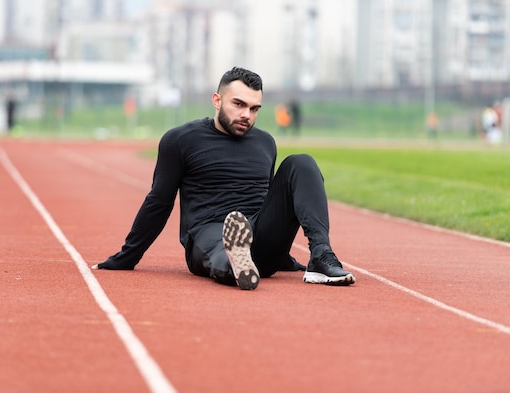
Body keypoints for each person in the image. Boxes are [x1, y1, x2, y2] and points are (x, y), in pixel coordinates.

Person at [92, 67, 355, 290]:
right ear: (217, 100)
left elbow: (272, 203)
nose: (246, 115)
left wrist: (283, 256)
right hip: (208, 230)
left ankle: (321, 254)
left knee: (302, 163)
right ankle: (236, 264)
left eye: (254, 109)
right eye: (238, 104)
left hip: (259, 236)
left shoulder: (265, 143)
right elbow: (159, 203)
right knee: (221, 246)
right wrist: (128, 256)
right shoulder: (181, 140)